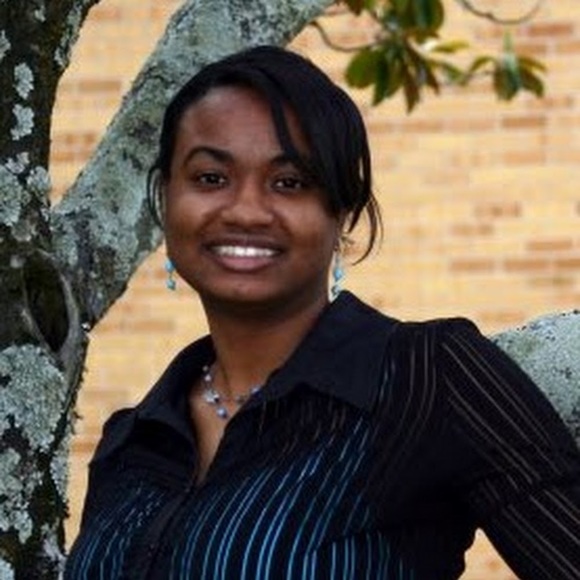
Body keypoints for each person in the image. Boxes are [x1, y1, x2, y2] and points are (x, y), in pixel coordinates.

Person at [65, 46, 580, 579]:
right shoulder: (133, 440)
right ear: (165, 198)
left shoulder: (427, 377)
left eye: (289, 183)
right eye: (211, 178)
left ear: (343, 213)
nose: (245, 210)